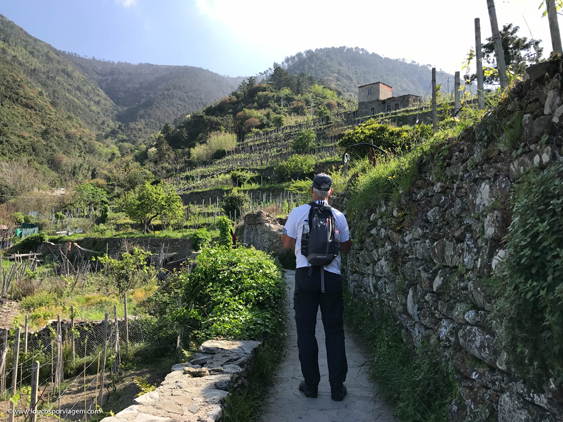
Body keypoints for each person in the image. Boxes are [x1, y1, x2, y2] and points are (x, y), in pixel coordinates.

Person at [281, 173, 353, 401]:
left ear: (311, 190)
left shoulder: (298, 212)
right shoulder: (338, 215)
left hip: (305, 277)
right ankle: (336, 387)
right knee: (334, 331)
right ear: (330, 192)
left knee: (305, 331)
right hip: (331, 278)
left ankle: (311, 385)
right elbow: (346, 248)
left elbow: (287, 243)